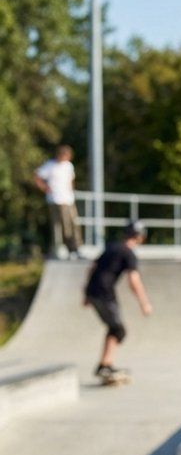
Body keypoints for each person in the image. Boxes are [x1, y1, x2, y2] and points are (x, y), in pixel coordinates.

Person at [83, 220, 152, 382]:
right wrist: (144, 303)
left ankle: (105, 365)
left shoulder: (111, 247)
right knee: (118, 330)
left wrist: (86, 294)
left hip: (94, 291)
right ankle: (104, 366)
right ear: (140, 237)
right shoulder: (129, 253)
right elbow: (133, 280)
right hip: (105, 294)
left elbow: (92, 268)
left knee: (114, 328)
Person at [34, 144, 82, 258]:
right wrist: (45, 188)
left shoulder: (69, 166)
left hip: (68, 200)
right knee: (60, 226)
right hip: (55, 199)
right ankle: (63, 249)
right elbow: (36, 176)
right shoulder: (50, 165)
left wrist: (71, 191)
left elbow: (71, 180)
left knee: (73, 223)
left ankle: (76, 248)